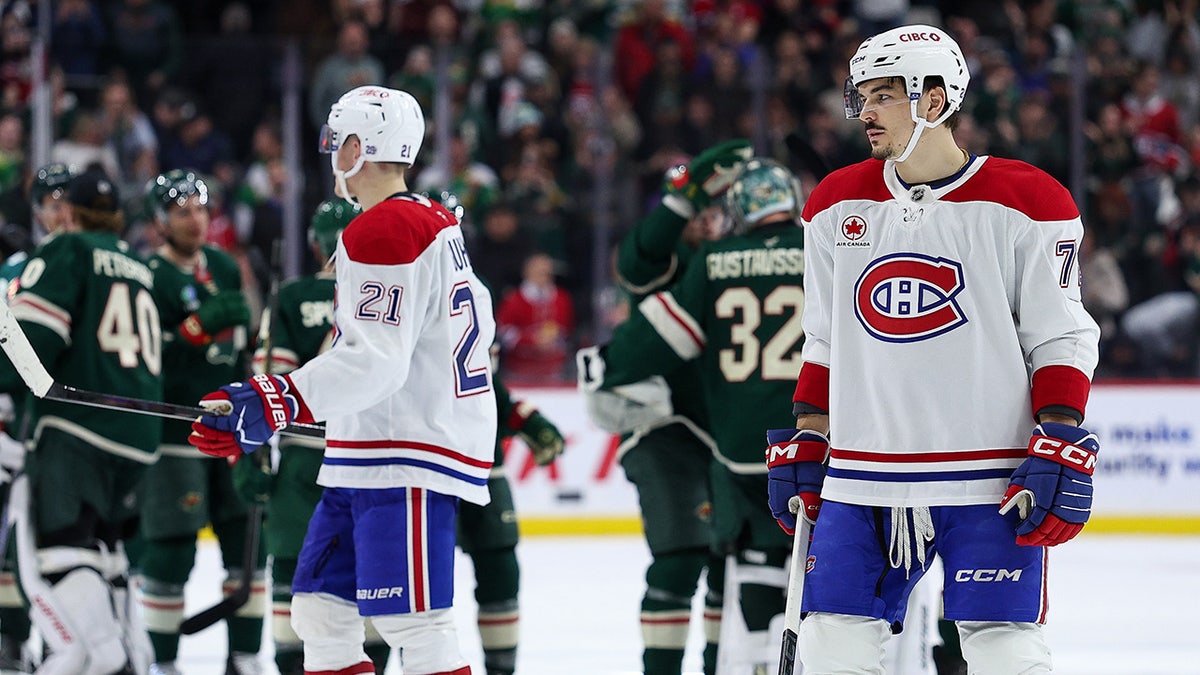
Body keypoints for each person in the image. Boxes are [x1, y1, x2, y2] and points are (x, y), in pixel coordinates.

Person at [770, 24, 1100, 673]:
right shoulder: (836, 203)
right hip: (863, 476)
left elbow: (1060, 333)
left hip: (989, 478)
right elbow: (825, 338)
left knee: (1006, 650)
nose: (865, 110)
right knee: (831, 646)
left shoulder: (1028, 199)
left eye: (884, 94)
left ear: (934, 99)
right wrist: (812, 433)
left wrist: (1058, 431)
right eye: (862, 95)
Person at [189, 85, 496, 675]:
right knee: (321, 614)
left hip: (404, 451)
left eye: (338, 138)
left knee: (416, 625)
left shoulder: (386, 228)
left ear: (361, 145)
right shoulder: (430, 219)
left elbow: (376, 360)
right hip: (375, 447)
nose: (331, 150)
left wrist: (276, 397)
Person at [579, 157, 805, 673]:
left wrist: (605, 365)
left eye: (712, 214)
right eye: (695, 214)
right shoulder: (674, 253)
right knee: (687, 559)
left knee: (734, 568)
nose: (706, 223)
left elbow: (650, 341)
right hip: (685, 432)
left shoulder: (714, 262)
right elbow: (638, 261)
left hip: (728, 442)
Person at [0, 170, 161, 673]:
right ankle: (131, 654)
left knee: (58, 553)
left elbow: (32, 350)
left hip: (76, 430)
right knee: (108, 553)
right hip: (140, 437)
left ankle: (103, 656)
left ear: (67, 213)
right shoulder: (139, 264)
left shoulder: (65, 252)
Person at [241, 198, 390, 675]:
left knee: (290, 571)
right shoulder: (386, 291)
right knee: (373, 577)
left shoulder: (291, 295)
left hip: (306, 457)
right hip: (370, 454)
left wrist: (252, 456)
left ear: (313, 244)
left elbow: (273, 385)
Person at [138, 168, 262, 675]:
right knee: (170, 552)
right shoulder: (148, 275)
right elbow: (143, 358)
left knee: (244, 545)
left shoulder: (223, 267)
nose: (195, 220)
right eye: (182, 211)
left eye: (201, 209)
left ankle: (247, 658)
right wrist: (192, 330)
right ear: (159, 221)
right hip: (175, 432)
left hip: (231, 432)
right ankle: (164, 663)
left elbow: (239, 353)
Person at [0, 162, 78, 672]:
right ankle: (12, 637)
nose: (60, 212)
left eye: (67, 201)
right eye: (51, 203)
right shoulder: (18, 270)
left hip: (73, 425)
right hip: (19, 421)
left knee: (68, 541)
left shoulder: (89, 263)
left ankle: (66, 635)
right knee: (14, 540)